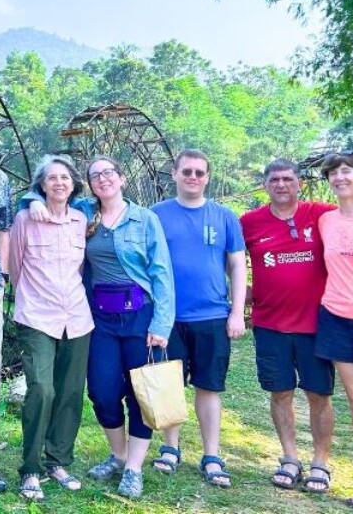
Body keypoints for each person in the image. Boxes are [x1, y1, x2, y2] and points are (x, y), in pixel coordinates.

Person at [23, 155, 175, 499]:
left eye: (109, 173)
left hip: (140, 315)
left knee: (141, 392)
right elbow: (44, 195)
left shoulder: (145, 219)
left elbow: (162, 273)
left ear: (121, 178)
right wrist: (32, 200)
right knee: (103, 392)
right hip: (99, 319)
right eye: (96, 176)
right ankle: (118, 456)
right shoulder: (85, 214)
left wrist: (162, 323)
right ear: (89, 184)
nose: (103, 179)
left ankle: (133, 467)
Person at [150, 149, 246, 488]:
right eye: (187, 171)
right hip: (168, 317)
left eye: (200, 172)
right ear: (174, 174)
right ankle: (170, 448)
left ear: (207, 177)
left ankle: (212, 454)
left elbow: (236, 265)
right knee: (168, 384)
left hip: (212, 316)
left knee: (209, 386)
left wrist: (236, 311)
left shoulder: (224, 217)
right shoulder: (155, 215)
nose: (193, 177)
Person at [240, 158, 335, 492]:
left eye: (288, 179)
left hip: (316, 324)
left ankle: (321, 463)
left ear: (299, 183)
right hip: (270, 323)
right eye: (274, 180)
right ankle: (290, 458)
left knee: (318, 394)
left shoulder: (322, 214)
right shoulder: (249, 222)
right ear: (265, 185)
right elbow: (229, 257)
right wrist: (242, 290)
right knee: (280, 392)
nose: (281, 185)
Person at [9, 154, 93, 502]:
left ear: (73, 184)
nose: (59, 182)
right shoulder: (25, 218)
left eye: (65, 178)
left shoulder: (82, 219)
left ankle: (58, 461)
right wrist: (31, 202)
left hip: (77, 317)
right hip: (36, 317)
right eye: (52, 178)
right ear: (42, 185)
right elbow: (14, 268)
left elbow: (112, 198)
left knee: (72, 392)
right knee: (42, 389)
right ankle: (30, 468)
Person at [313, 152, 353, 509]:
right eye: (333, 173)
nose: (340, 178)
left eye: (347, 171)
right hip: (337, 318)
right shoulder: (326, 221)